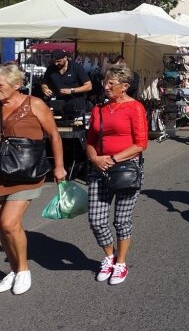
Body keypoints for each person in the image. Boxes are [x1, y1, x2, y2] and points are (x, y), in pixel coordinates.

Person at [0, 64, 65, 295]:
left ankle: (24, 269)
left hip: (28, 172)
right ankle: (15, 269)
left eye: (0, 86)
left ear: (16, 86)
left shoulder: (34, 104)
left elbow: (55, 135)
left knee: (8, 222)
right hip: (3, 170)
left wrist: (59, 167)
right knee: (2, 227)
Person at [85, 64, 148, 286]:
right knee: (96, 220)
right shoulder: (99, 109)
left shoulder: (135, 108)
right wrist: (95, 159)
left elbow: (141, 144)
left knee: (121, 220)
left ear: (125, 86)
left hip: (125, 169)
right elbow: (90, 141)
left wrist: (112, 159)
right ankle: (109, 257)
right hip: (99, 168)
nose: (106, 86)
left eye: (111, 83)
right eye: (105, 82)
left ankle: (121, 262)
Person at [41, 49, 93, 119]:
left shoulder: (76, 67)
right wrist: (45, 88)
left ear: (65, 58)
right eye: (54, 62)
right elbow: (44, 83)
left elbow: (89, 86)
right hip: (58, 104)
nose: (56, 64)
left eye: (58, 61)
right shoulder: (51, 69)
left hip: (76, 105)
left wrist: (71, 90)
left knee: (76, 128)